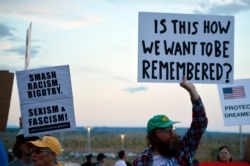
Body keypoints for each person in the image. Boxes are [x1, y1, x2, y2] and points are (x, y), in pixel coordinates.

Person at [132, 76, 208, 166]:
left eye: (172, 128)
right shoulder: (141, 161)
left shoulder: (183, 147)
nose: (172, 133)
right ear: (153, 136)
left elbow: (200, 124)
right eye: (167, 130)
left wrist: (192, 91)